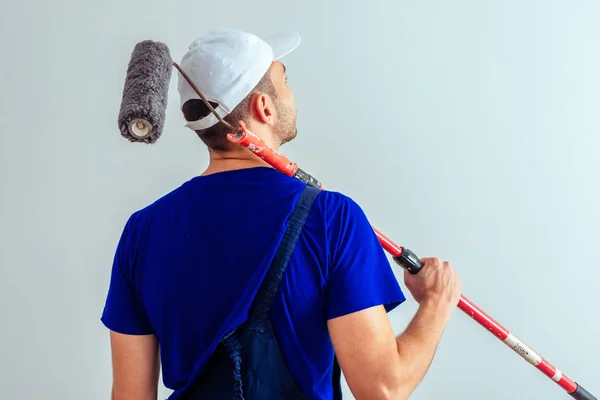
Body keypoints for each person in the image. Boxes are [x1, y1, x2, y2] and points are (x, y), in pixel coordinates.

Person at [101, 28, 462, 400]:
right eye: (283, 80)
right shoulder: (333, 218)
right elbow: (383, 387)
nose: (291, 92)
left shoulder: (141, 231)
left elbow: (129, 395)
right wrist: (436, 303)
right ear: (264, 107)